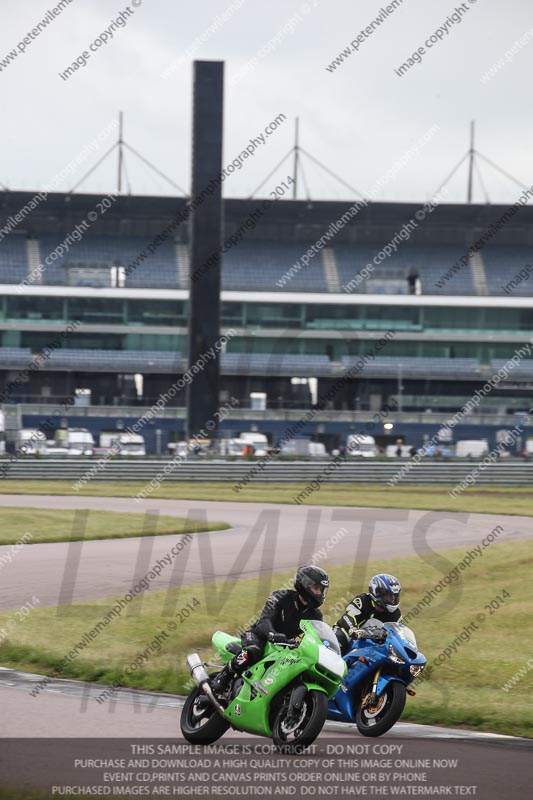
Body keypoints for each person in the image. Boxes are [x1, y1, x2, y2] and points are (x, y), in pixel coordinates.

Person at [211, 565, 330, 693]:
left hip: (285, 648)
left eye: (322, 590)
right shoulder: (281, 597)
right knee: (252, 652)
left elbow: (317, 638)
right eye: (317, 588)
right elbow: (264, 621)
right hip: (260, 636)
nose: (319, 593)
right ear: (305, 584)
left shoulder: (316, 615)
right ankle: (222, 678)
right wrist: (272, 634)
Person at [333, 573, 402, 656]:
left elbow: (398, 634)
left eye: (395, 595)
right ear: (377, 594)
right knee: (341, 636)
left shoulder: (396, 614)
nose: (393, 599)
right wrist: (353, 630)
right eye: (389, 596)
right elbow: (347, 617)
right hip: (351, 634)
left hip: (373, 640)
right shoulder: (362, 600)